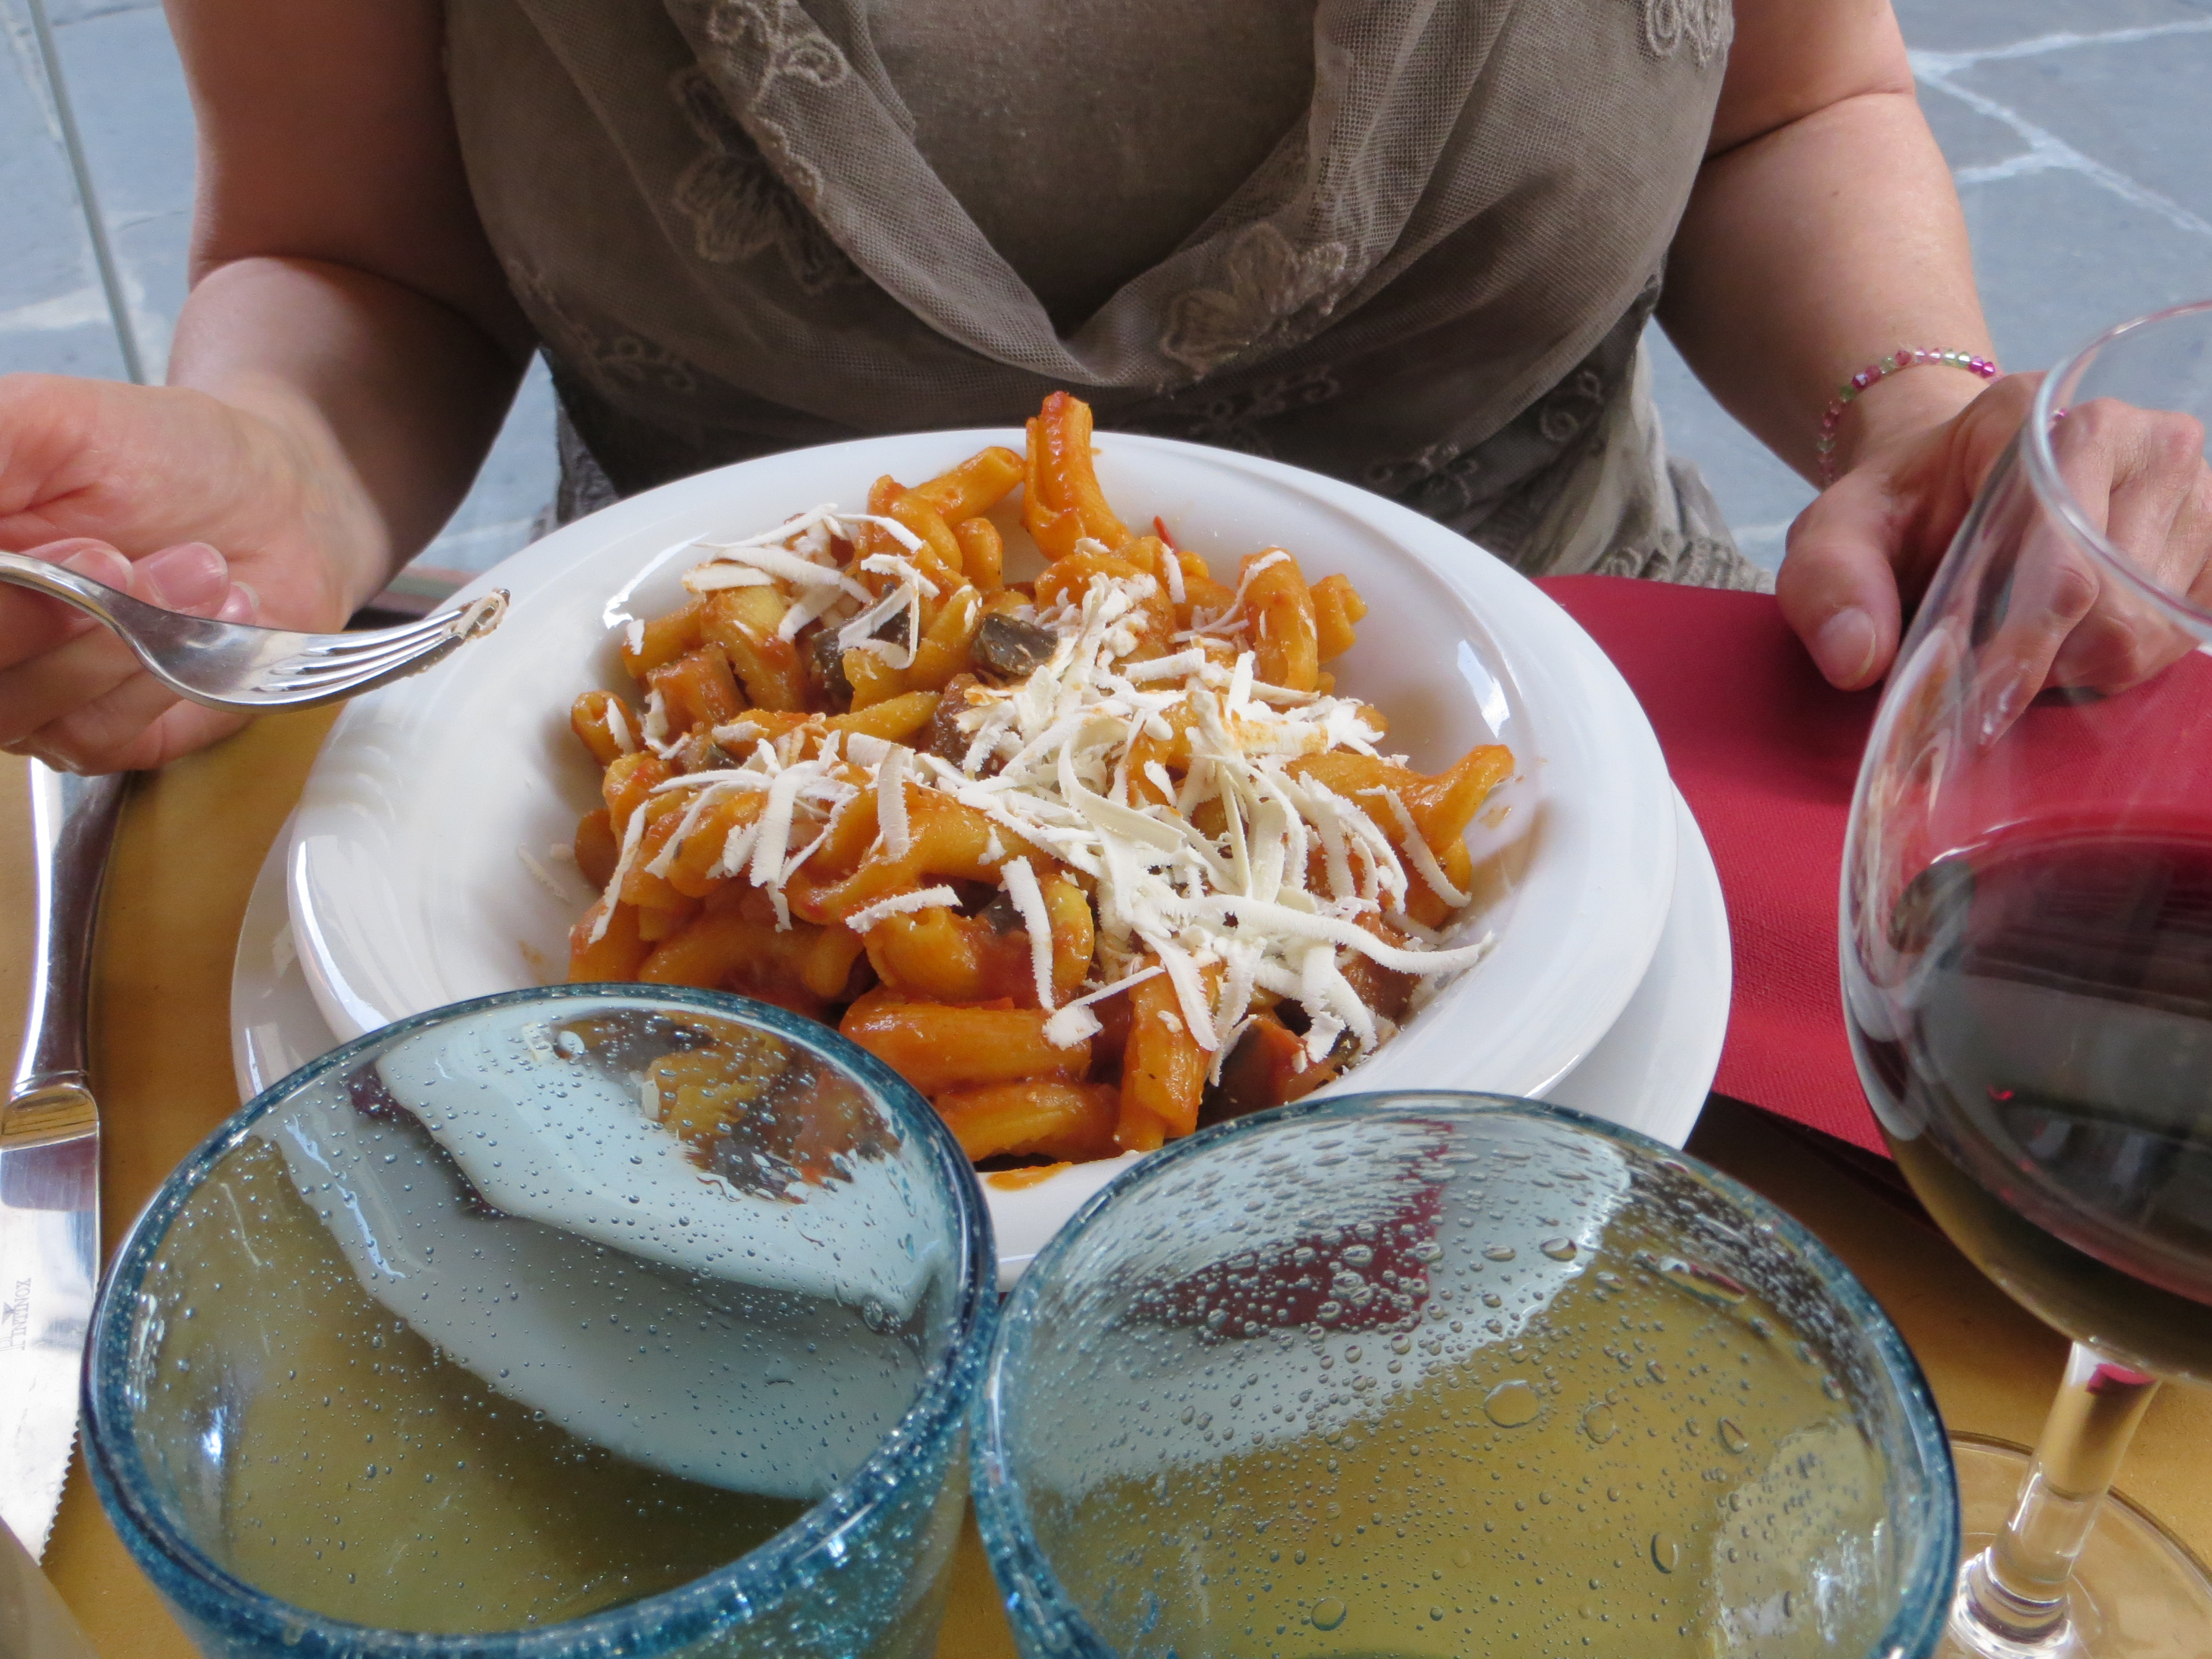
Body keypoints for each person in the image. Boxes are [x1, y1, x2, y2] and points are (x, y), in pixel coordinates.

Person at [0, 0, 2198, 774]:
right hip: (723, 787)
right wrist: (280, 480)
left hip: (1587, 747)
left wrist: (1916, 414)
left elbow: (1787, 104)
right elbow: (356, 251)